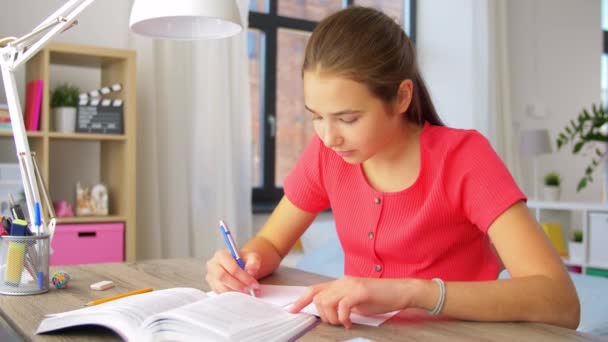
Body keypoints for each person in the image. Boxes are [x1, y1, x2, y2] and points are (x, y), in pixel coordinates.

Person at [205, 6, 580, 329]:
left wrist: (413, 291)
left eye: (348, 118)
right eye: (316, 116)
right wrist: (246, 265)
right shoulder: (326, 154)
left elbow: (559, 300)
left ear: (401, 97)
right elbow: (270, 242)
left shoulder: (464, 158)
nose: (328, 136)